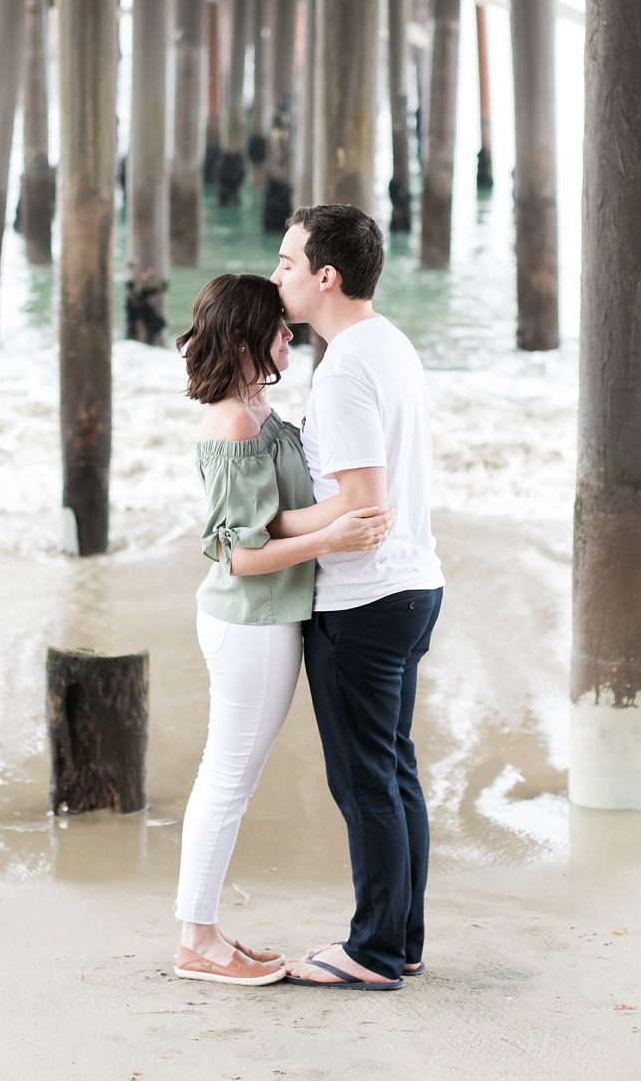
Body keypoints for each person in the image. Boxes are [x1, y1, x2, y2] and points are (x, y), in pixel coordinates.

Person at [172, 274, 390, 986]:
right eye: (278, 328)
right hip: (250, 621)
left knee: (231, 777)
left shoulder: (256, 408)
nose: (290, 334)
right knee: (226, 779)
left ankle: (205, 932)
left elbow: (271, 520)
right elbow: (241, 552)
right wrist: (334, 541)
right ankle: (196, 941)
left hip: (262, 622)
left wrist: (345, 518)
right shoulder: (234, 419)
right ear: (245, 337)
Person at [269, 205, 446, 992]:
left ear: (325, 276)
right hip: (414, 587)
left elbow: (362, 502)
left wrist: (267, 523)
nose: (278, 277)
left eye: (286, 264)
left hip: (367, 600)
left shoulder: (342, 366)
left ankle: (372, 951)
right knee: (393, 770)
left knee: (365, 779)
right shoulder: (388, 343)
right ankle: (399, 939)